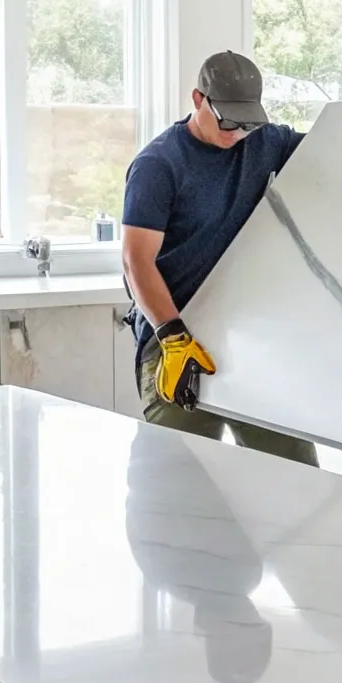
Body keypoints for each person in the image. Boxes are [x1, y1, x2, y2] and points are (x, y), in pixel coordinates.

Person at [121, 50, 318, 466]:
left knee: (296, 477)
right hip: (175, 333)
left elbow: (330, 150)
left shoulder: (265, 142)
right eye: (226, 120)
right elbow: (136, 261)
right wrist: (173, 338)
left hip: (244, 336)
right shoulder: (159, 165)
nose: (235, 133)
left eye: (247, 123)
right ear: (197, 99)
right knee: (178, 482)